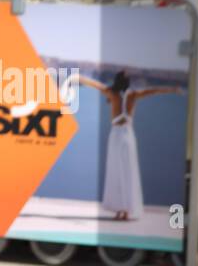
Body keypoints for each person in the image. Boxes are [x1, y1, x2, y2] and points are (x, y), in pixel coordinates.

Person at [77, 71, 181, 222]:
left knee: (116, 172)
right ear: (128, 83)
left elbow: (94, 84)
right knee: (128, 172)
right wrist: (173, 89)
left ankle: (120, 210)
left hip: (116, 135)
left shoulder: (111, 93)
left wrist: (78, 78)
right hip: (128, 135)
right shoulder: (133, 95)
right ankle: (125, 210)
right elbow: (154, 91)